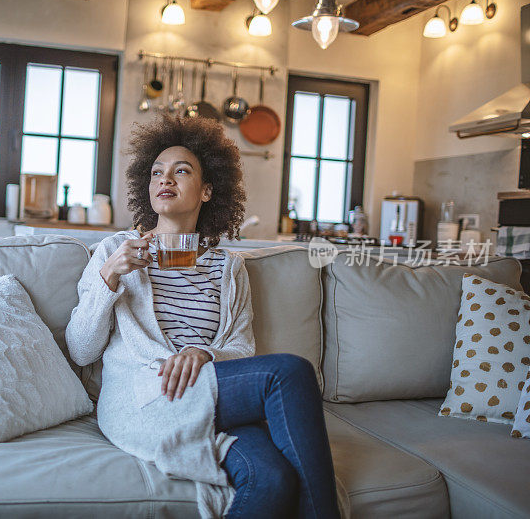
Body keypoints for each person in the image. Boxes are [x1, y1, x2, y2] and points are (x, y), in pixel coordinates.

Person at [65, 114, 339, 519]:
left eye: (181, 171)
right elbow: (80, 349)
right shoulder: (115, 251)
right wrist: (109, 277)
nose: (165, 180)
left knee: (272, 478)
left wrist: (205, 354)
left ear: (208, 190)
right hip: (148, 398)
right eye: (157, 172)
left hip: (208, 389)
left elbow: (241, 348)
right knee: (289, 373)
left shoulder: (227, 268)